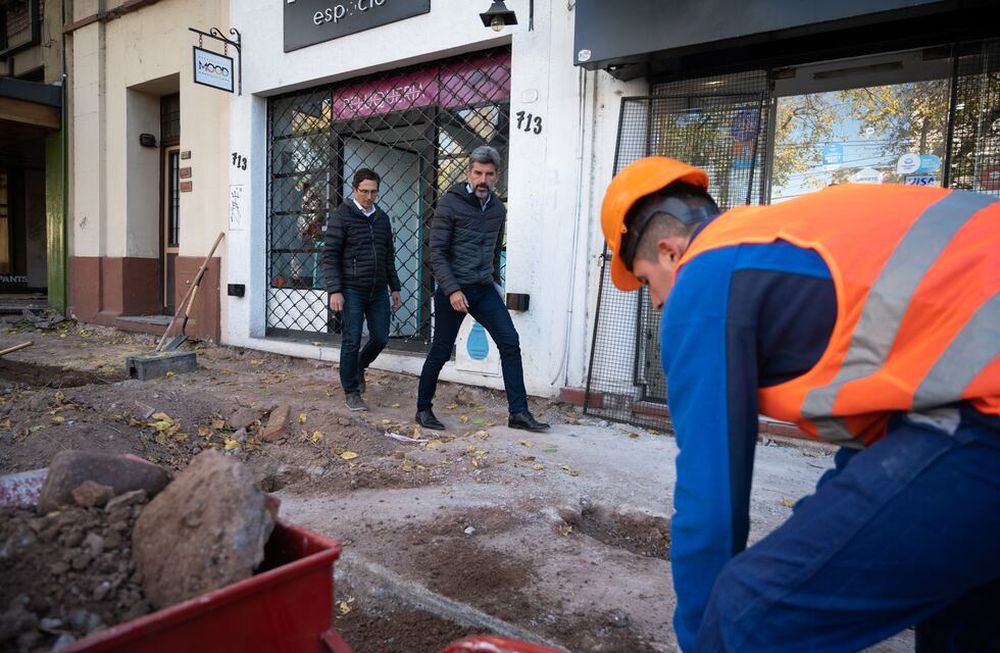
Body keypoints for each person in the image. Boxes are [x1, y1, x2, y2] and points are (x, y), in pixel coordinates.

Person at [600, 156, 1000, 652]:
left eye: (644, 282)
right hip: (970, 413)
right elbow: (880, 446)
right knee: (961, 619)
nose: (656, 303)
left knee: (746, 615)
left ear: (670, 252)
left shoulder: (706, 273)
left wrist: (706, 637)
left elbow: (710, 501)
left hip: (986, 420)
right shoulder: (790, 241)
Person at [415, 145, 549, 433]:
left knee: (510, 342)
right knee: (440, 350)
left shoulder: (499, 209)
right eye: (478, 173)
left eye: (489, 174)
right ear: (469, 172)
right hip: (454, 290)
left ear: (496, 177)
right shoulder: (450, 204)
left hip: (483, 289)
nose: (482, 180)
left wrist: (495, 283)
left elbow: (492, 249)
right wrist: (451, 290)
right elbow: (436, 252)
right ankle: (423, 409)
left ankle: (518, 413)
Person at [322, 168, 402, 411]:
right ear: (354, 189)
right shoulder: (341, 216)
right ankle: (352, 391)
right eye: (364, 191)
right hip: (351, 290)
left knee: (380, 338)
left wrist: (395, 287)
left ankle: (358, 365)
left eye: (373, 192)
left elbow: (389, 256)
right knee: (351, 340)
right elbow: (330, 255)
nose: (369, 196)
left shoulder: (382, 219)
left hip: (377, 290)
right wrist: (335, 290)